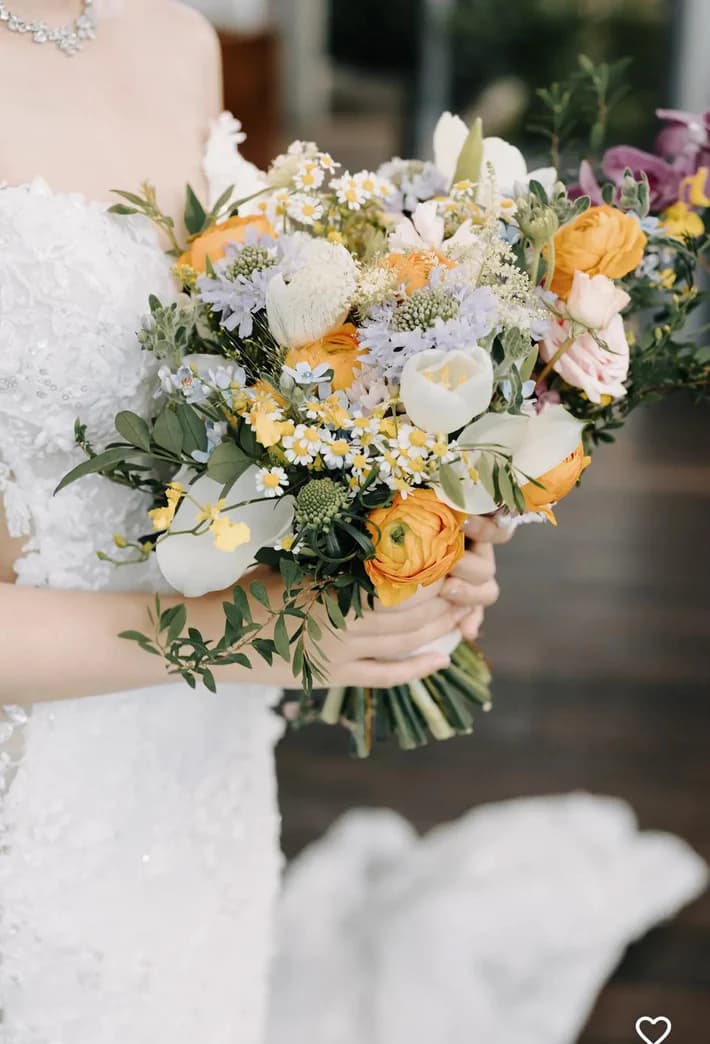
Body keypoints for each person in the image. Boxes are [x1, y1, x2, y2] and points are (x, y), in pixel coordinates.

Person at [0, 2, 503, 1040]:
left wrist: (400, 529)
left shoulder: (176, 39)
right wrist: (254, 632)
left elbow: (221, 381)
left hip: (195, 767)